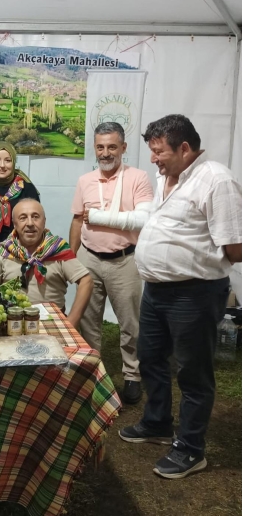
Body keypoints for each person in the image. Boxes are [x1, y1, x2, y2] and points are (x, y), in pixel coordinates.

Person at [118, 114, 241, 480]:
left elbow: (235, 246)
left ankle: (191, 448)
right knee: (150, 357)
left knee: (192, 371)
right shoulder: (167, 176)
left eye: (159, 152)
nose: (153, 159)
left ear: (184, 148)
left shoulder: (216, 180)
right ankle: (157, 423)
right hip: (157, 290)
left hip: (194, 293)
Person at [69, 122, 154, 406]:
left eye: (112, 147)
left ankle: (132, 375)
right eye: (100, 147)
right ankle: (95, 373)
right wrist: (71, 258)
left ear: (123, 148)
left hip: (124, 260)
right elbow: (79, 219)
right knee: (88, 321)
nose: (106, 153)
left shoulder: (138, 178)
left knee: (130, 322)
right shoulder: (84, 181)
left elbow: (144, 219)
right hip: (89, 258)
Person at [0, 198, 92, 328]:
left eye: (35, 217)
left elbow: (86, 281)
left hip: (52, 322)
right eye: (23, 218)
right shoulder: (3, 250)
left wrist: (72, 321)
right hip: (11, 321)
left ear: (44, 222)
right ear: (14, 224)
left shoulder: (58, 249)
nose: (30, 223)